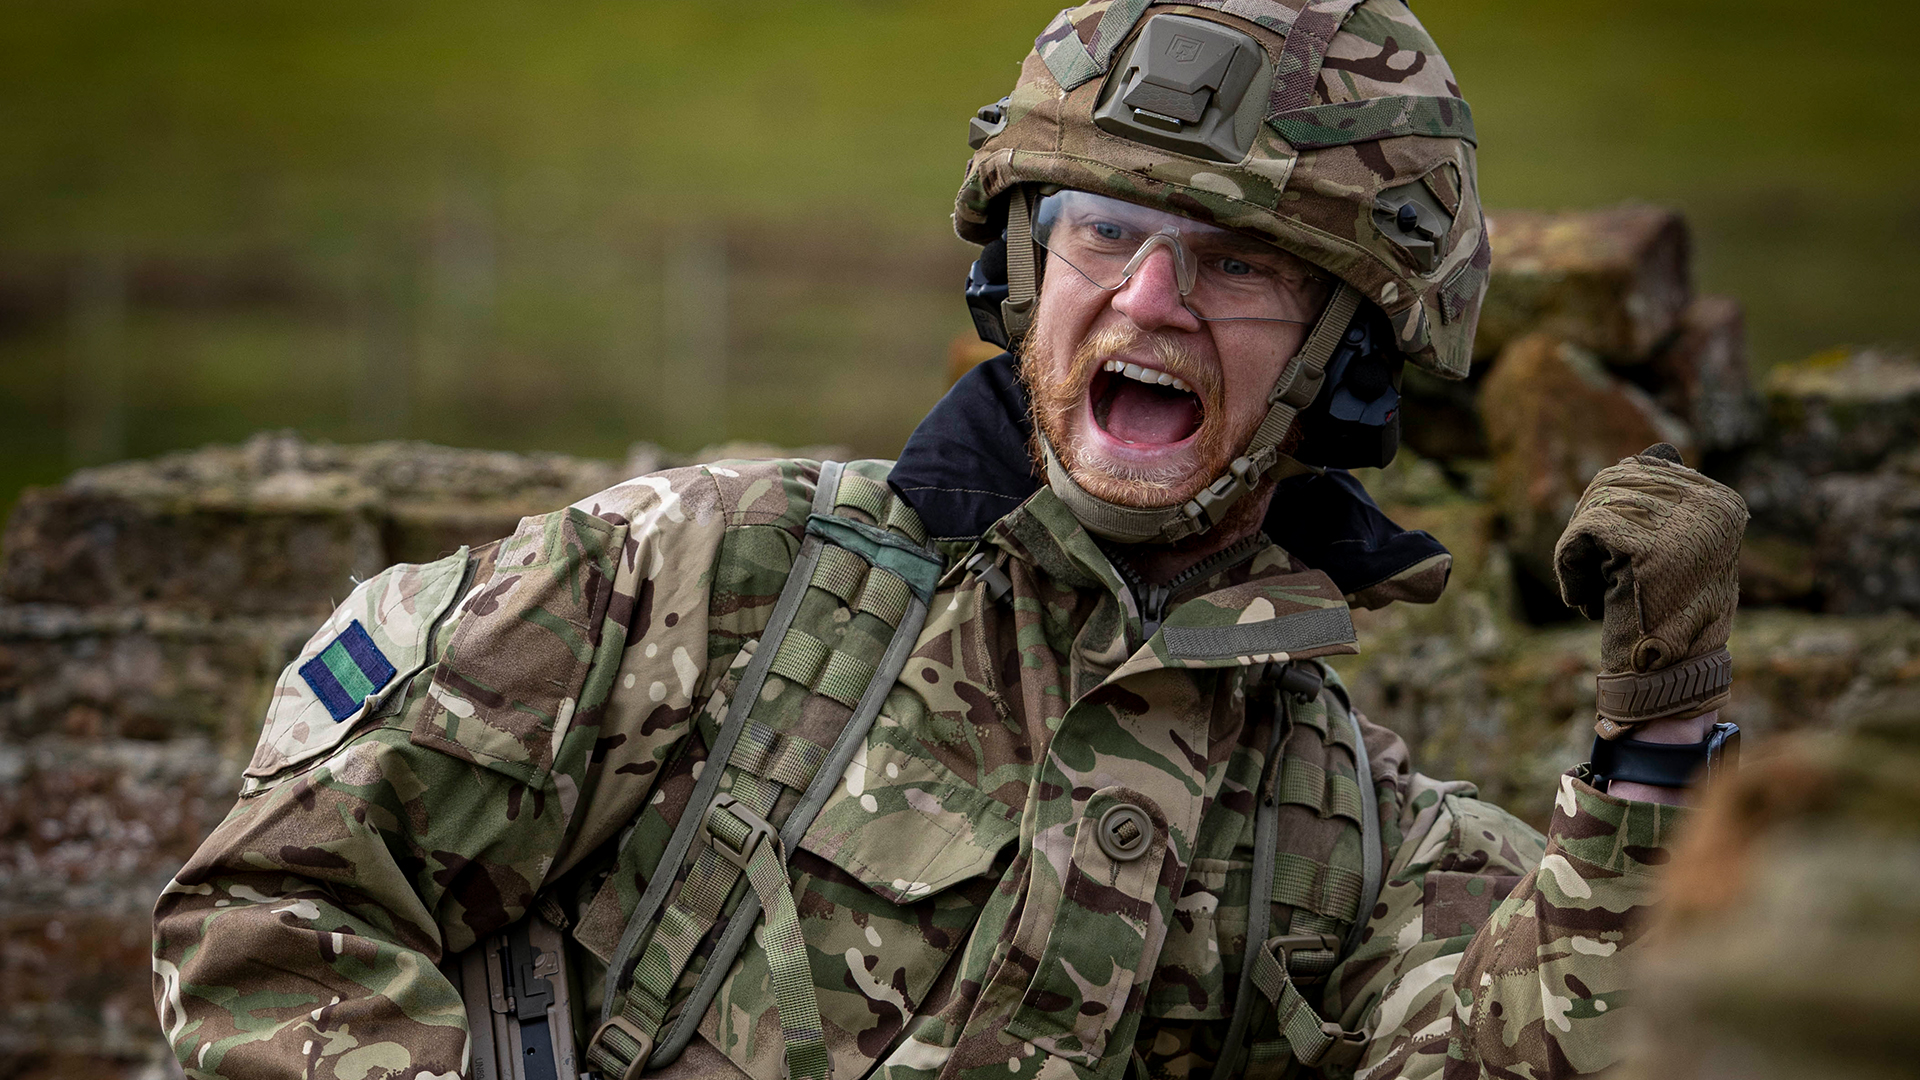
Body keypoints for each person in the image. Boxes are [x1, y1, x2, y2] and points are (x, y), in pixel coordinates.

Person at [151, 2, 1750, 1079]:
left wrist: (1657, 746)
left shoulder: (1349, 824)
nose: (1145, 300)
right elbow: (272, 918)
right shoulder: (693, 580)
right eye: (1102, 232)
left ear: (1344, 354)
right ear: (1017, 270)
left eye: (1235, 268)